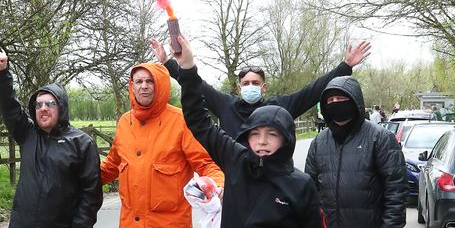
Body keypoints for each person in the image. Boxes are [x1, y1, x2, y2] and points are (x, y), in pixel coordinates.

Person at [174, 34, 332, 228]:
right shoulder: (235, 159)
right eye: (255, 134)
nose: (262, 142)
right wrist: (187, 68)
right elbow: (199, 121)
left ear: (286, 139)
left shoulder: (301, 185)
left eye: (272, 134)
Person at [100, 62, 224, 228]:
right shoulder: (124, 123)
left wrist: (217, 184)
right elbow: (111, 166)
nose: (144, 86)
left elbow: (207, 164)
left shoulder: (180, 121)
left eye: (150, 81)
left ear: (161, 85)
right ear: (132, 86)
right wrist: (77, 178)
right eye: (138, 81)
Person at [0, 52, 102, 228]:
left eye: (50, 103)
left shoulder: (81, 142)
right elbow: (9, 106)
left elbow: (92, 193)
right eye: (39, 104)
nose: (43, 108)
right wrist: (2, 74)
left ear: (61, 106)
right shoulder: (27, 134)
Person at [151, 39, 371, 138]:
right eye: (246, 84)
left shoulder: (279, 108)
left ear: (263, 87)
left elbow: (312, 91)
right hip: (235, 187)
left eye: (255, 83)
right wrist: (169, 62)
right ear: (238, 88)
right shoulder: (225, 105)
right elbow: (195, 85)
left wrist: (345, 66)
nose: (250, 87)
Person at [305, 76, 407, 228]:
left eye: (341, 99)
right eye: (331, 101)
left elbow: (396, 189)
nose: (336, 104)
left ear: (355, 100)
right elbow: (309, 192)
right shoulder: (318, 143)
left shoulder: (380, 138)